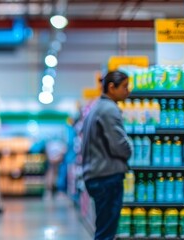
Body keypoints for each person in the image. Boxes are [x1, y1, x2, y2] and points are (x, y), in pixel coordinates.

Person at [81, 71, 132, 240]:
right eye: (124, 86)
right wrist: (130, 147)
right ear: (111, 87)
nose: (128, 91)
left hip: (97, 175)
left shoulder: (97, 107)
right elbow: (120, 145)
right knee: (106, 232)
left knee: (103, 228)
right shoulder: (109, 109)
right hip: (107, 177)